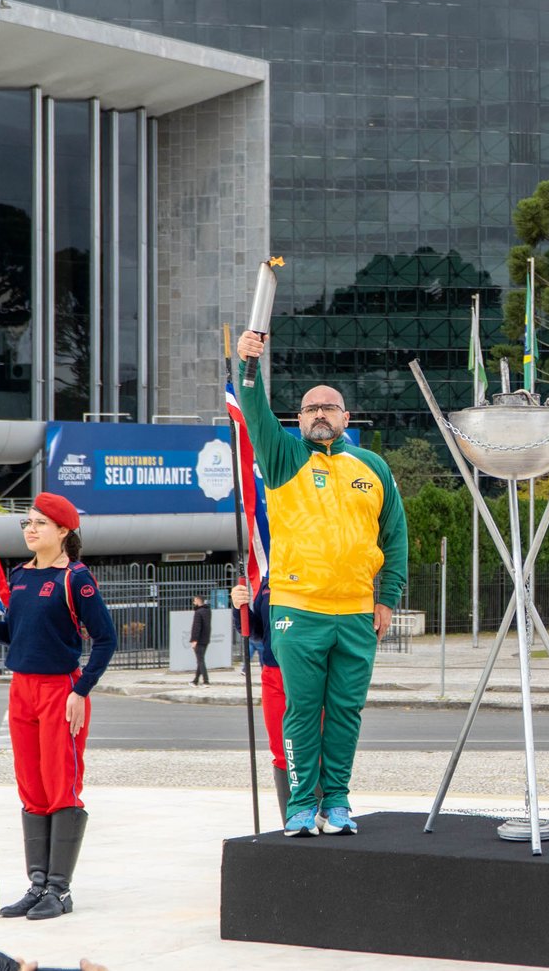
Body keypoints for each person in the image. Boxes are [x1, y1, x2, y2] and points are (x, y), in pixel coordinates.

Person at [236, 328, 407, 837]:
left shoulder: (373, 467)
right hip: (298, 609)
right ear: (298, 419)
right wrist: (247, 365)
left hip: (356, 612)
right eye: (310, 408)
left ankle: (336, 803)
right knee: (303, 711)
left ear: (346, 417)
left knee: (347, 712)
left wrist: (387, 598)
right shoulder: (283, 457)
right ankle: (300, 806)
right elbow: (254, 410)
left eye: (329, 407)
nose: (319, 414)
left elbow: (395, 536)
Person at [0, 493, 115, 920]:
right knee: (31, 785)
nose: (30, 529)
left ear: (63, 531)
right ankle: (37, 884)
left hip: (60, 690)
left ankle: (59, 890)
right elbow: (13, 635)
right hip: (22, 688)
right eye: (27, 523)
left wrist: (81, 690)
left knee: (60, 783)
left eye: (40, 523)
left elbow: (106, 639)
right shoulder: (20, 577)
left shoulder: (75, 579)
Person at [230, 578, 295, 821]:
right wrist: (239, 608)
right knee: (281, 749)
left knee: (315, 747)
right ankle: (292, 819)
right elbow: (257, 632)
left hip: (309, 672)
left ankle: (323, 811)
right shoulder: (268, 582)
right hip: (273, 673)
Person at [188, 595, 212, 685]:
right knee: (200, 660)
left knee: (200, 661)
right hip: (206, 638)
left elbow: (196, 627)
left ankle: (206, 681)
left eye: (194, 601)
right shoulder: (208, 611)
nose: (194, 603)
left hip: (199, 639)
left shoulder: (198, 612)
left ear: (198, 601)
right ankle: (195, 681)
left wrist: (194, 640)